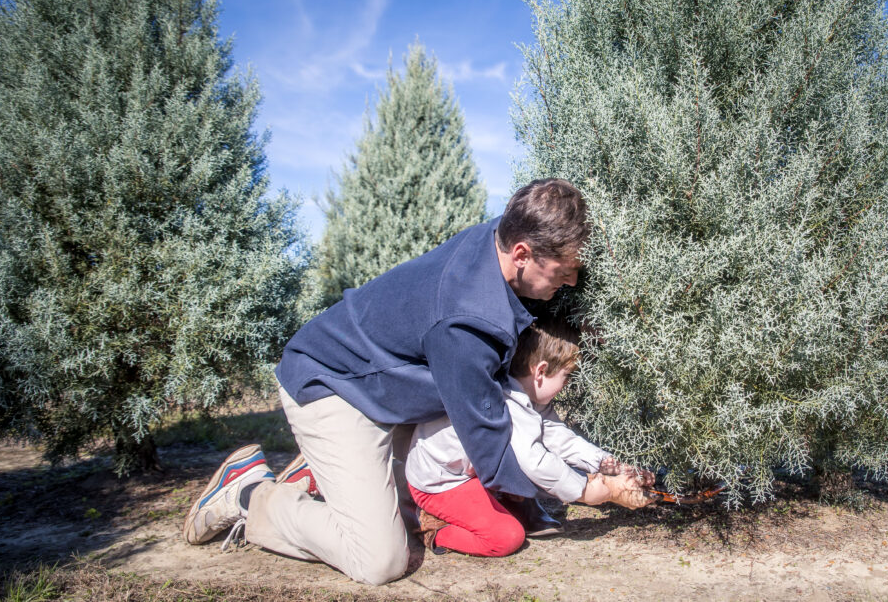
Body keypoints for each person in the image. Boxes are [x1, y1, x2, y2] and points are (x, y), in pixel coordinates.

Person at [182, 179, 589, 584]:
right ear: (522, 253)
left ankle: (327, 470)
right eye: (564, 270)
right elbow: (488, 436)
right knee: (380, 561)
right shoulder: (467, 318)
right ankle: (250, 495)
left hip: (385, 387)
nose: (570, 281)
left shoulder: (498, 238)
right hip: (334, 388)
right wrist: (568, 489)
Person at [405, 315, 655, 557]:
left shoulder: (529, 395)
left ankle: (504, 501)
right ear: (541, 371)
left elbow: (559, 437)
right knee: (505, 537)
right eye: (567, 377)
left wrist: (609, 465)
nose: (567, 385)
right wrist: (586, 491)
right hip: (441, 483)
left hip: (475, 472)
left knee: (521, 485)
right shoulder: (506, 402)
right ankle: (435, 528)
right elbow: (534, 460)